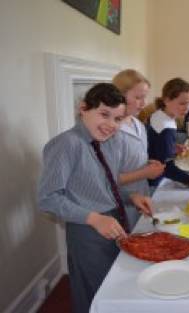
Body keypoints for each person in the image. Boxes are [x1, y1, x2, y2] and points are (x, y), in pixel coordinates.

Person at [38, 83, 154, 313]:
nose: (111, 125)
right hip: (86, 231)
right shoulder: (66, 144)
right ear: (83, 108)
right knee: (94, 290)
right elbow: (48, 198)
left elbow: (105, 187)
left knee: (115, 284)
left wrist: (131, 196)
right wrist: (94, 218)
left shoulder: (112, 141)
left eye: (118, 119)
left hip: (116, 223)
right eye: (104, 114)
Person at [113, 69, 165, 229]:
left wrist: (146, 163)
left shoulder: (138, 125)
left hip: (142, 196)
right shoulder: (111, 132)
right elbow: (108, 178)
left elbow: (132, 158)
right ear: (120, 96)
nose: (143, 103)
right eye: (138, 97)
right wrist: (145, 172)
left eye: (144, 97)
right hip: (122, 202)